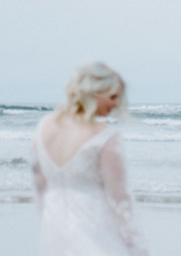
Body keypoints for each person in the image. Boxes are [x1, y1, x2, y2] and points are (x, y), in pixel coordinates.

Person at [31, 61, 148, 256]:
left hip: (53, 227)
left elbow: (40, 186)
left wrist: (48, 221)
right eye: (112, 96)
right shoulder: (105, 135)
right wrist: (136, 247)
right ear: (94, 93)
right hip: (94, 227)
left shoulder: (44, 127)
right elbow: (120, 198)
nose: (116, 104)